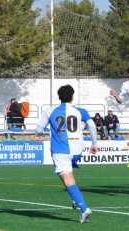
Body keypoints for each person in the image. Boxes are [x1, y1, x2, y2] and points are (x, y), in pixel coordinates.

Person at [35, 84, 98, 223]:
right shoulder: (80, 110)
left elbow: (38, 130)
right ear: (72, 97)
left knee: (67, 179)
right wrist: (94, 144)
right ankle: (75, 198)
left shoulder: (50, 111)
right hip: (77, 150)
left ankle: (84, 208)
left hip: (60, 150)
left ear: (59, 97)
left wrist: (44, 131)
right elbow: (92, 126)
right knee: (66, 176)